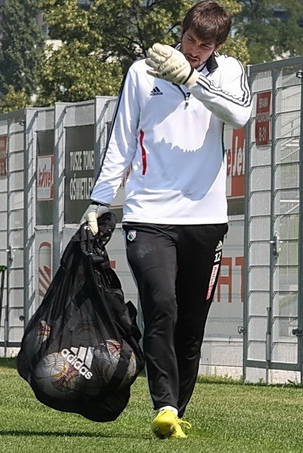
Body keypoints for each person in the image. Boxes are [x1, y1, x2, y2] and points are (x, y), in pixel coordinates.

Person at [82, 0, 251, 439]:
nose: (194, 49)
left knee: (191, 323)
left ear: (219, 45)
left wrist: (191, 79)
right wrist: (100, 202)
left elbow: (240, 114)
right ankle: (165, 404)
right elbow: (121, 139)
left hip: (206, 218)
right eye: (191, 40)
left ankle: (177, 409)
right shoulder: (143, 72)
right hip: (149, 214)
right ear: (182, 31)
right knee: (162, 306)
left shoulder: (229, 71)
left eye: (205, 45)